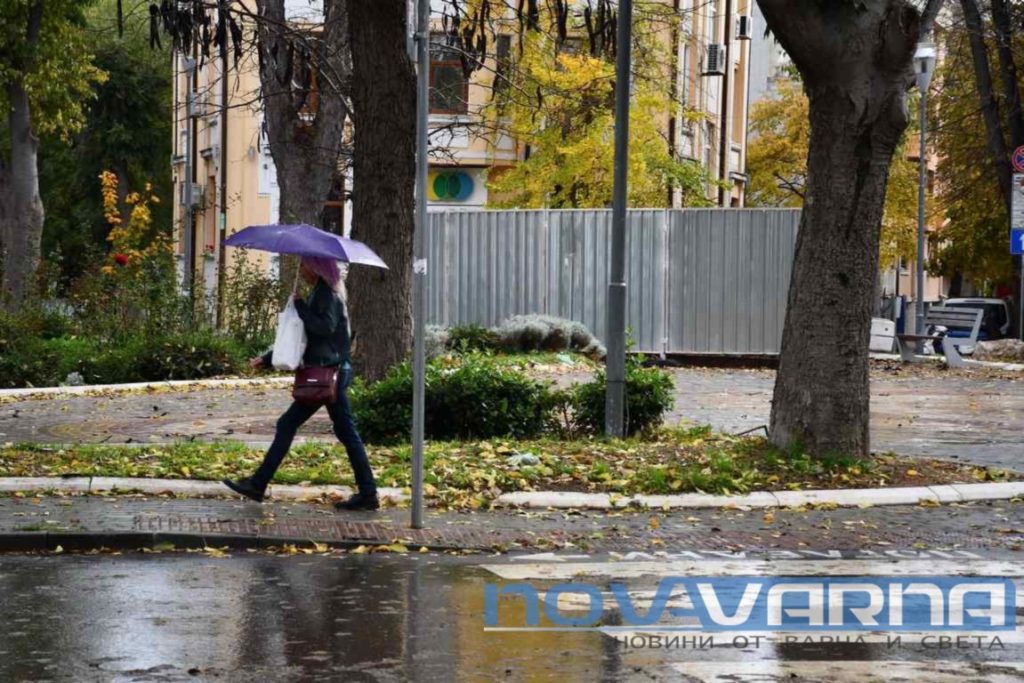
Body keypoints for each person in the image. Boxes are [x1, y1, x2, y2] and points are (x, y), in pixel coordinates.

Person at [223, 256, 379, 511]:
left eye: (303, 265)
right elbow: (303, 337)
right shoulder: (322, 293)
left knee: (292, 424)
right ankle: (368, 493)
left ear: (317, 267)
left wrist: (300, 306)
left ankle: (258, 484)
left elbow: (324, 328)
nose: (301, 270)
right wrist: (267, 358)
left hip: (328, 375)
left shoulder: (326, 295)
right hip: (332, 373)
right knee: (345, 432)